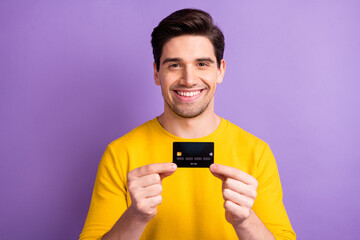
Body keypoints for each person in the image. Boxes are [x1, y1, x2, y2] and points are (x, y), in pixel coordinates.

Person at [80, 8, 296, 240]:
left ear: (220, 70)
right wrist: (136, 216)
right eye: (174, 65)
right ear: (156, 73)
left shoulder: (257, 153)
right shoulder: (120, 153)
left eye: (202, 64)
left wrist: (245, 221)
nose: (189, 79)